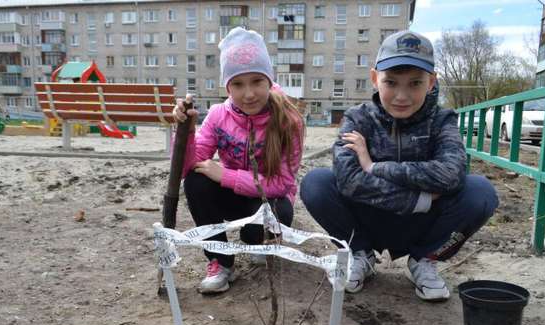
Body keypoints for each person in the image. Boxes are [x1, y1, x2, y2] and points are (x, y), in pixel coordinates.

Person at [300, 30, 498, 301]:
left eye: (415, 83)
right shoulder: (357, 119)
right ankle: (360, 253)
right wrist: (422, 199)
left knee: (481, 193)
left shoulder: (442, 121)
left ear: (431, 82)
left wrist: (374, 167)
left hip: (420, 226)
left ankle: (424, 259)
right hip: (369, 217)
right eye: (391, 82)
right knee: (316, 183)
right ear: (374, 79)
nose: (401, 96)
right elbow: (348, 180)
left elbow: (452, 174)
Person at [172, 27, 304, 294]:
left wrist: (226, 175)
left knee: (276, 217)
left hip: (269, 201)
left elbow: (282, 183)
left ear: (269, 79)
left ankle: (258, 239)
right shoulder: (219, 115)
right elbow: (189, 167)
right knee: (196, 182)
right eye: (238, 84)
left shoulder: (289, 120)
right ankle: (220, 262)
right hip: (233, 198)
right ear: (227, 85)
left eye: (257, 81)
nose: (249, 94)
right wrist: (187, 132)